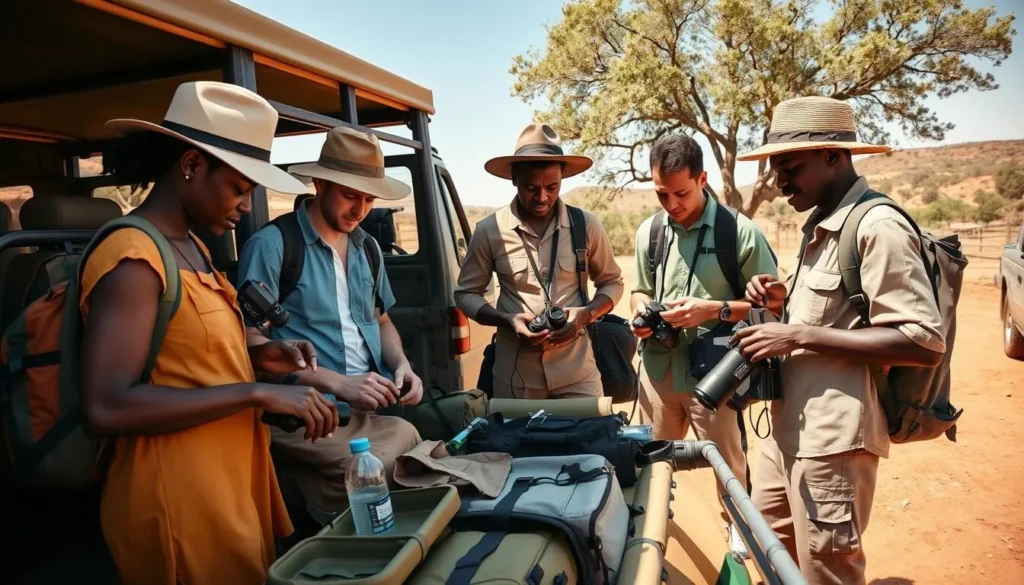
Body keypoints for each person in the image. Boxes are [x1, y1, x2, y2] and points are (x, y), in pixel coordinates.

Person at [80, 81, 339, 585]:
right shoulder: (134, 258)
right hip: (177, 500)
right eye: (239, 189)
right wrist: (256, 393)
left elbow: (185, 356)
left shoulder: (192, 248)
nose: (245, 205)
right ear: (192, 165)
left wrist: (263, 357)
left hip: (226, 484)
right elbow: (106, 406)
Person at [733, 96, 946, 585]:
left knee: (826, 571)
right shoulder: (822, 222)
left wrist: (799, 334)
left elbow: (922, 340)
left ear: (832, 155)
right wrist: (781, 300)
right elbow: (835, 311)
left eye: (790, 168)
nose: (779, 182)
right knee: (769, 550)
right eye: (775, 169)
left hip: (832, 444)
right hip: (787, 432)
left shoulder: (878, 226)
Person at [238, 125, 424, 523]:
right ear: (319, 184)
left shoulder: (368, 247)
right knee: (374, 473)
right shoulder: (273, 246)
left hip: (365, 412)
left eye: (369, 199)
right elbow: (247, 343)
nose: (360, 210)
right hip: (304, 414)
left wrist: (402, 366)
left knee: (416, 450)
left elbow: (382, 320)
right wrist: (336, 382)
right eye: (350, 195)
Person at [629, 133, 778, 558]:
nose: (671, 204)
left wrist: (712, 309)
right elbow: (640, 289)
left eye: (681, 193)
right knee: (651, 461)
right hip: (658, 373)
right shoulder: (650, 232)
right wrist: (641, 313)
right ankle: (649, 526)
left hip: (715, 378)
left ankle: (737, 526)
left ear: (702, 179)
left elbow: (770, 307)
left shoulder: (739, 232)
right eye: (662, 193)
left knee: (727, 461)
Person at [454, 122, 624, 399]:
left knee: (590, 430)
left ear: (562, 178)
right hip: (515, 379)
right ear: (514, 178)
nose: (542, 197)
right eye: (531, 187)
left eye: (552, 187)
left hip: (578, 376)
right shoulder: (489, 230)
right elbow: (465, 294)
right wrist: (507, 320)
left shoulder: (586, 226)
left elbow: (612, 283)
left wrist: (587, 314)